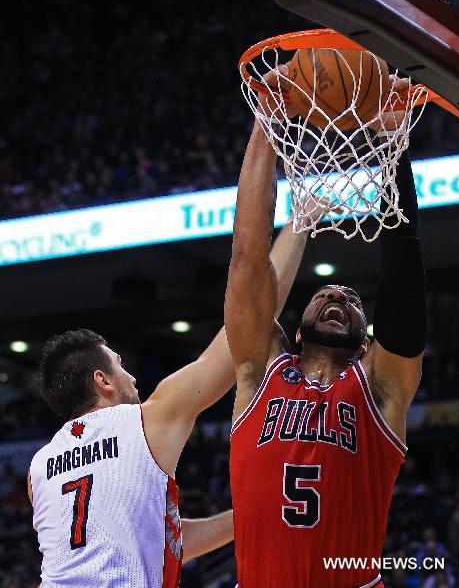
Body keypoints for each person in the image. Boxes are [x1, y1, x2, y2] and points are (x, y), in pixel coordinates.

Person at [28, 216, 310, 588]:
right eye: (121, 365)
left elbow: (158, 542)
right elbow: (246, 333)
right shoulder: (145, 422)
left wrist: (249, 516)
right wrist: (301, 224)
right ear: (103, 380)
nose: (132, 377)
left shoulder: (39, 468)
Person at [225, 69, 427, 587]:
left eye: (350, 299)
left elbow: (403, 283)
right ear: (293, 332)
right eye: (324, 294)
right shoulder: (259, 371)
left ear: (366, 340)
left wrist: (392, 149)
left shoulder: (379, 388)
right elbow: (248, 257)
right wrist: (266, 126)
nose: (337, 294)